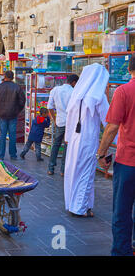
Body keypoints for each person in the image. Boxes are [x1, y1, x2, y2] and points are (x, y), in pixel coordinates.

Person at [97, 56, 135, 256]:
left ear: (129, 69)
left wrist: (101, 153)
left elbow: (112, 127)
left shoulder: (123, 91)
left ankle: (122, 251)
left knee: (122, 211)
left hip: (128, 161)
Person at [64, 63, 109, 218]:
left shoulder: (77, 95)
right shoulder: (98, 96)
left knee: (74, 171)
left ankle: (77, 204)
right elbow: (109, 120)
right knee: (87, 172)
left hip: (75, 139)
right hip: (88, 139)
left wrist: (68, 138)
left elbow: (69, 119)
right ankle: (80, 207)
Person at [47, 74, 79, 176]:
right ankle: (63, 170)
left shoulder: (55, 90)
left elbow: (50, 107)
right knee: (67, 146)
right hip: (71, 123)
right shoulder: (74, 92)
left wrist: (54, 119)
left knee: (55, 144)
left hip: (59, 122)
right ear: (74, 82)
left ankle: (51, 168)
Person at [0, 70, 25, 160]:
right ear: (13, 77)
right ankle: (13, 154)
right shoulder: (17, 87)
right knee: (12, 135)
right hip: (13, 114)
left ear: (5, 77)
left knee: (2, 135)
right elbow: (22, 101)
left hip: (2, 114)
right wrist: (17, 110)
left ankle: (1, 154)